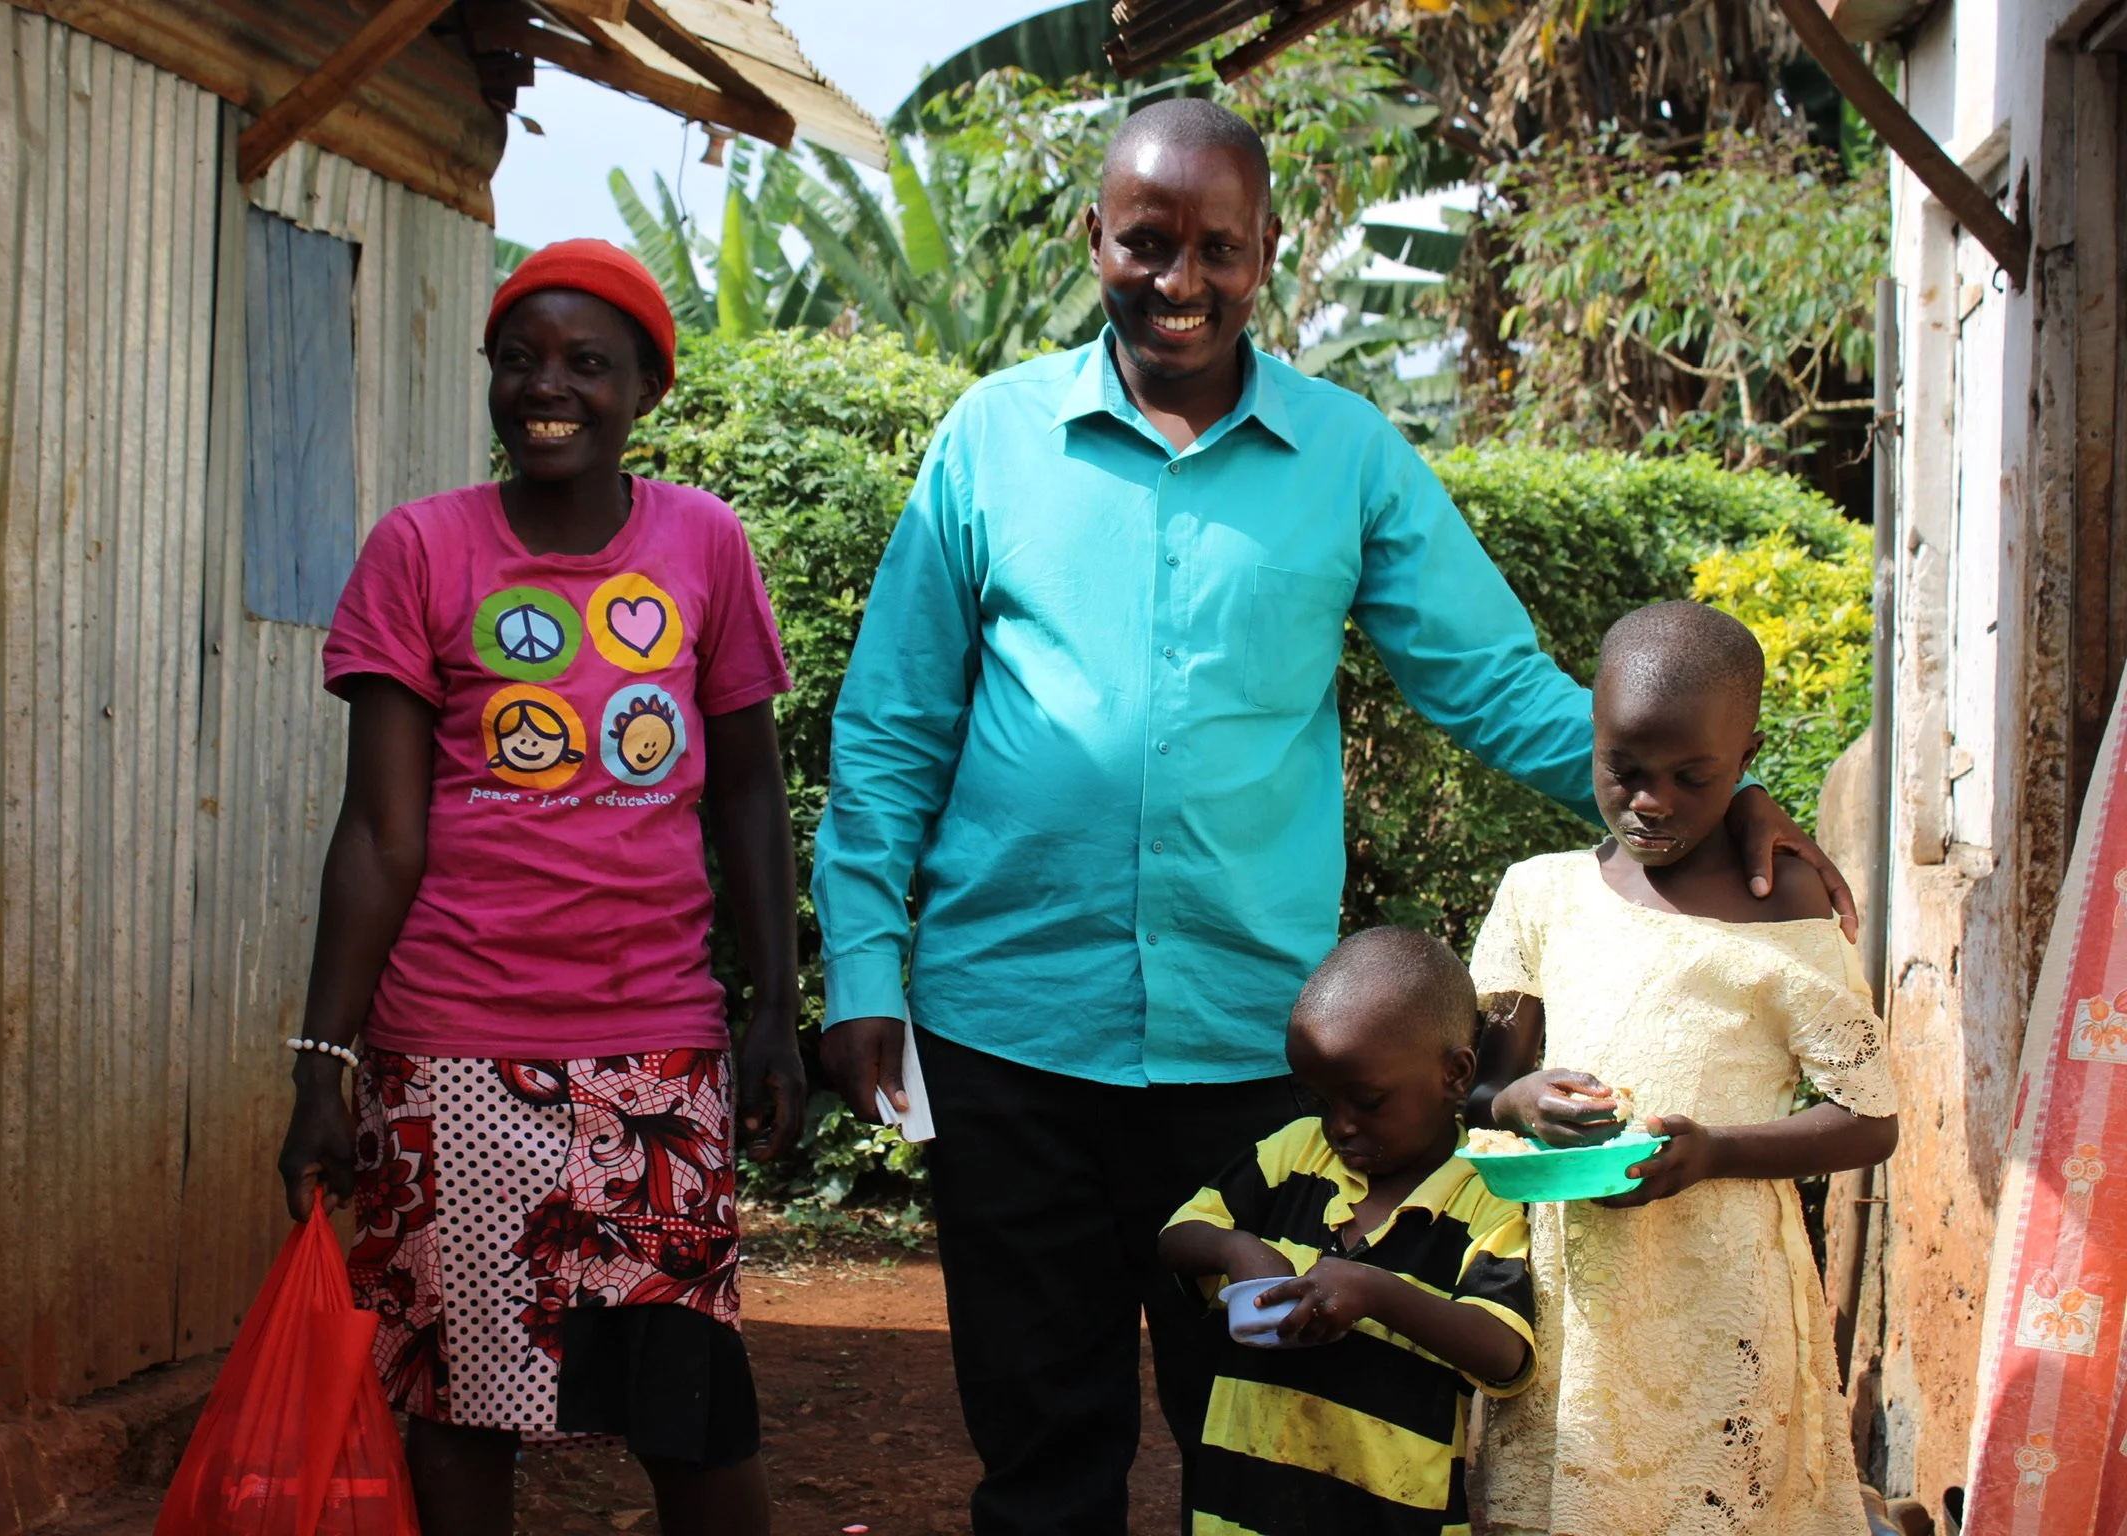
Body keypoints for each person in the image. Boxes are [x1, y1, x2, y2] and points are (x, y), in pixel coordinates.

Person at [811, 96, 1856, 1534]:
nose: (1180, 281)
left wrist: (1693, 799)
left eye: (1218, 249)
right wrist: (866, 965)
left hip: (1255, 1059)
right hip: (1009, 1041)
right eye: (1146, 243)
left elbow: (1489, 681)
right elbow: (891, 725)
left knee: (1277, 1442)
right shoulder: (990, 445)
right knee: (1040, 1447)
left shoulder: (1348, 456)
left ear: (1268, 254)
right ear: (1092, 238)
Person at [274, 240, 806, 1536]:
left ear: (645, 388)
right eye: (519, 361)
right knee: (460, 1416)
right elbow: (380, 834)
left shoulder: (706, 546)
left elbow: (745, 793)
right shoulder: (419, 551)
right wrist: (319, 1063)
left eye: (584, 362)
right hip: (452, 1057)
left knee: (693, 1409)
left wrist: (777, 1007)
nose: (545, 388)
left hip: (657, 1057)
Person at [1468, 601, 1899, 1535]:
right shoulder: (1541, 897)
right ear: (1591, 738)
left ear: (1745, 764)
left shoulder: (1782, 909)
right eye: (1622, 770)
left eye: (1691, 776)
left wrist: (1714, 1152)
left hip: (1723, 1297)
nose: (1650, 801)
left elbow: (1869, 1118)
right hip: (1573, 1296)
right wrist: (1517, 1098)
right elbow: (1470, 1087)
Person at [1159, 927, 1533, 1536]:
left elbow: (1503, 1350)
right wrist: (1237, 1247)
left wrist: (1375, 1293)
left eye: (1367, 1101)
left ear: (1456, 1074)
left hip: (1395, 1512)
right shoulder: (1292, 1157)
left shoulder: (1484, 1196)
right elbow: (1177, 1236)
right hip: (1242, 1508)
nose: (1340, 1126)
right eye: (1322, 1101)